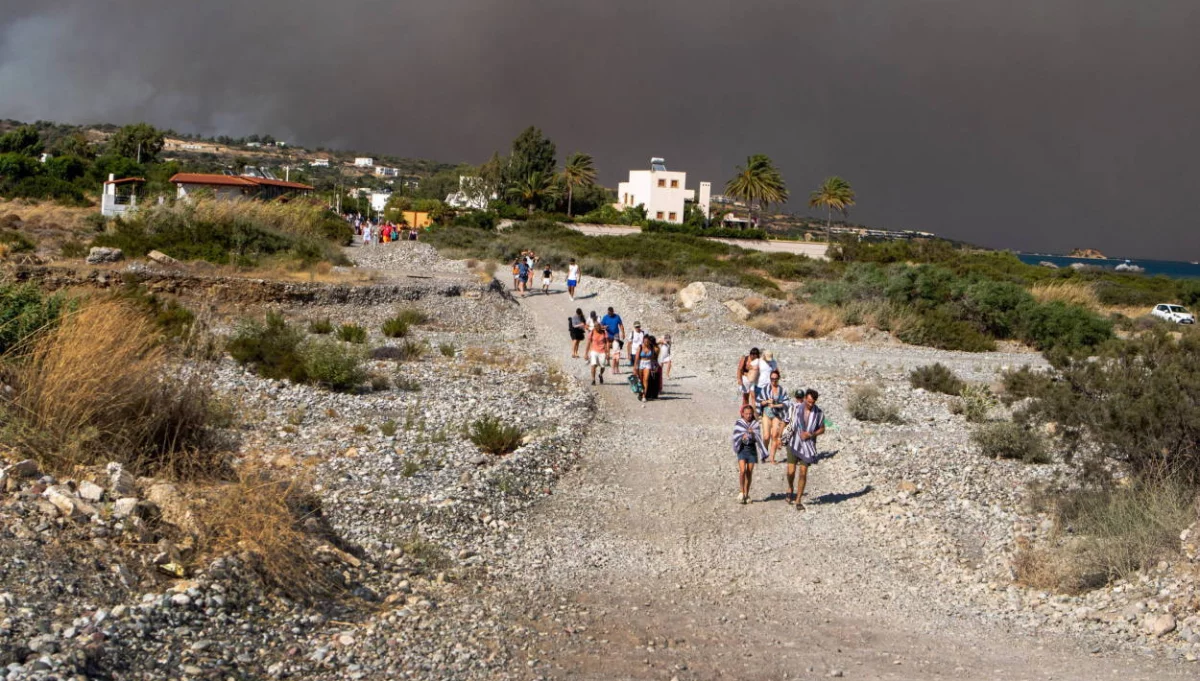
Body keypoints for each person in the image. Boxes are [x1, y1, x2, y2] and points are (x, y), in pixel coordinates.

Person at [782, 388, 826, 510]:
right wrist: (781, 437)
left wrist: (811, 434)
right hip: (794, 442)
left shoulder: (819, 413)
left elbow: (822, 429)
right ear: (805, 398)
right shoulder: (795, 408)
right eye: (809, 401)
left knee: (803, 473)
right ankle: (790, 487)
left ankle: (798, 500)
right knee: (791, 472)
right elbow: (786, 422)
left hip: (808, 446)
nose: (811, 404)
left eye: (813, 402)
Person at [731, 404, 768, 504]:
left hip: (751, 449)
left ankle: (747, 494)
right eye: (746, 414)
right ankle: (741, 491)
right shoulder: (739, 423)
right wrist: (741, 438)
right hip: (742, 449)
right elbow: (735, 435)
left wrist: (752, 434)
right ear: (742, 414)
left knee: (749, 472)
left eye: (750, 414)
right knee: (742, 471)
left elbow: (758, 438)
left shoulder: (755, 424)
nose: (748, 416)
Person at [759, 370, 789, 463]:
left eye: (775, 379)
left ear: (778, 379)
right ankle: (764, 454)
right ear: (770, 379)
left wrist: (775, 405)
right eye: (772, 379)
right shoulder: (765, 389)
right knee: (766, 436)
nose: (774, 381)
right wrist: (767, 401)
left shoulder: (782, 390)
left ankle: (772, 458)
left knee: (775, 435)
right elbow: (760, 401)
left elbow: (786, 403)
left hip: (777, 414)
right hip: (767, 413)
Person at [586, 320, 609, 385]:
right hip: (594, 351)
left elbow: (607, 342)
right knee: (593, 365)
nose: (597, 328)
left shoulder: (604, 332)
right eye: (596, 327)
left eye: (598, 327)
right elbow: (588, 342)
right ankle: (593, 380)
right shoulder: (592, 332)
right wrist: (586, 353)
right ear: (594, 327)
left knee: (603, 366)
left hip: (602, 351)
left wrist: (607, 353)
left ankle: (600, 375)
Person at [636, 335, 657, 402]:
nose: (646, 343)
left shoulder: (651, 347)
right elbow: (637, 358)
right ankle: (640, 392)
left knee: (646, 379)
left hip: (648, 363)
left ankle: (644, 395)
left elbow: (653, 358)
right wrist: (635, 367)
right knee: (640, 379)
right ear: (643, 341)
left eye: (647, 341)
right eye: (645, 341)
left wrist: (654, 366)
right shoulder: (640, 347)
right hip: (641, 363)